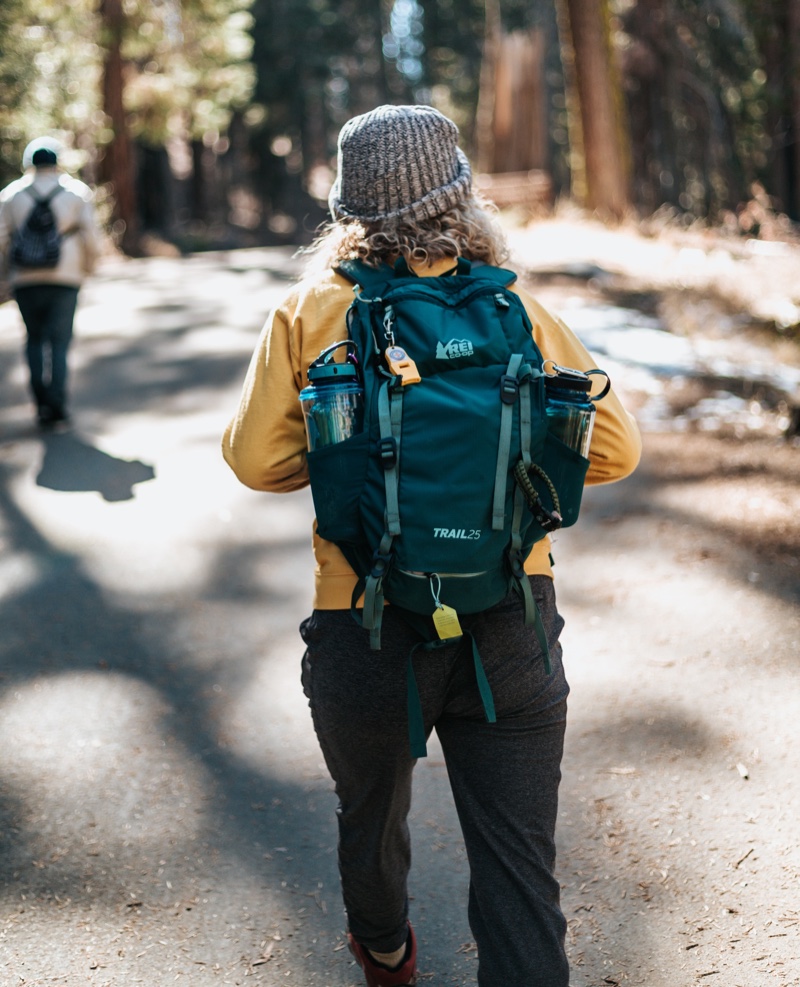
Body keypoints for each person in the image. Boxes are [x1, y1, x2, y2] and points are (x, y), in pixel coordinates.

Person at [222, 104, 642, 987]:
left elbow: (257, 460)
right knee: (520, 871)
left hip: (366, 623)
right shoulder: (513, 306)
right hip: (509, 621)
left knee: (370, 821)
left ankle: (384, 950)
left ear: (350, 208)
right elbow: (614, 448)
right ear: (462, 194)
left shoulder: (314, 309)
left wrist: (346, 451)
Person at [0, 136, 102, 427]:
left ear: (29, 162)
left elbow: (2, 238)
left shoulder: (11, 195)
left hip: (24, 277)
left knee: (33, 339)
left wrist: (8, 273)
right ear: (56, 162)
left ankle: (40, 403)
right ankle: (56, 406)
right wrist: (88, 268)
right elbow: (91, 237)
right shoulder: (76, 192)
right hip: (66, 276)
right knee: (59, 342)